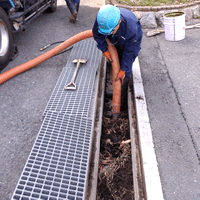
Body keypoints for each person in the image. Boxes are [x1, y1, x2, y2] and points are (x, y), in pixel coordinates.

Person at [92, 5, 143, 108]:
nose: (109, 33)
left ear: (119, 22)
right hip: (117, 38)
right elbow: (97, 34)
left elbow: (130, 52)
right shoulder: (102, 20)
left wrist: (123, 70)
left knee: (125, 71)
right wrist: (104, 49)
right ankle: (116, 90)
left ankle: (121, 99)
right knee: (117, 60)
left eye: (111, 31)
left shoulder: (131, 29)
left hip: (130, 42)